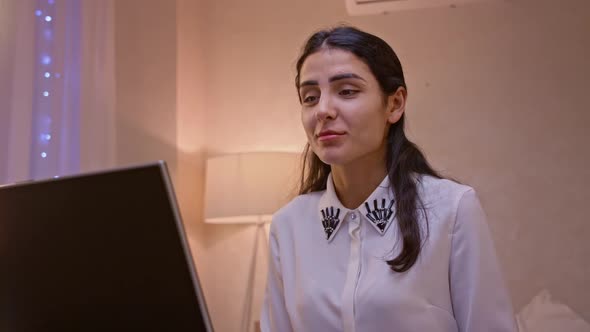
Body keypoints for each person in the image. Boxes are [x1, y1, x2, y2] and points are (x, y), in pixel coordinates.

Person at [260, 26, 516, 332]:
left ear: (394, 104)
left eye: (347, 91)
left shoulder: (452, 209)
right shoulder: (289, 225)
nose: (323, 110)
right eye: (310, 97)